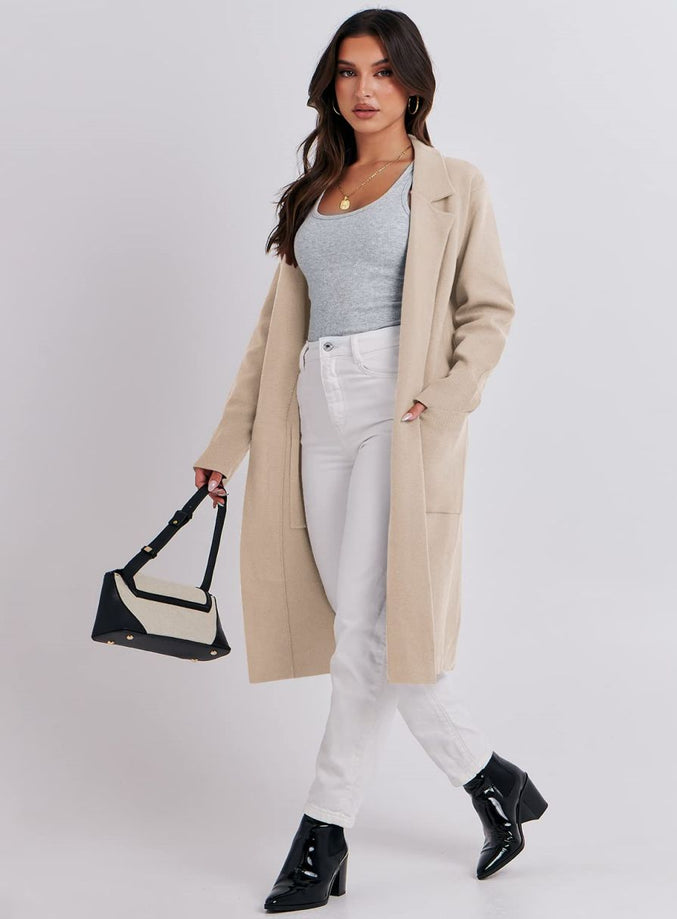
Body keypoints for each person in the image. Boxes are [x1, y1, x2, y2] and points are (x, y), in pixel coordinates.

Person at [194, 9, 548, 913]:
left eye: (383, 72)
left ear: (413, 85)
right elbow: (275, 332)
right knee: (371, 629)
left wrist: (447, 398)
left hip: (401, 409)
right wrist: (227, 443)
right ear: (331, 86)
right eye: (349, 72)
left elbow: (489, 311)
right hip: (315, 409)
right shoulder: (315, 191)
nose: (365, 90)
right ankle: (495, 781)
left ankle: (322, 834)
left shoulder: (451, 184)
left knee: (363, 631)